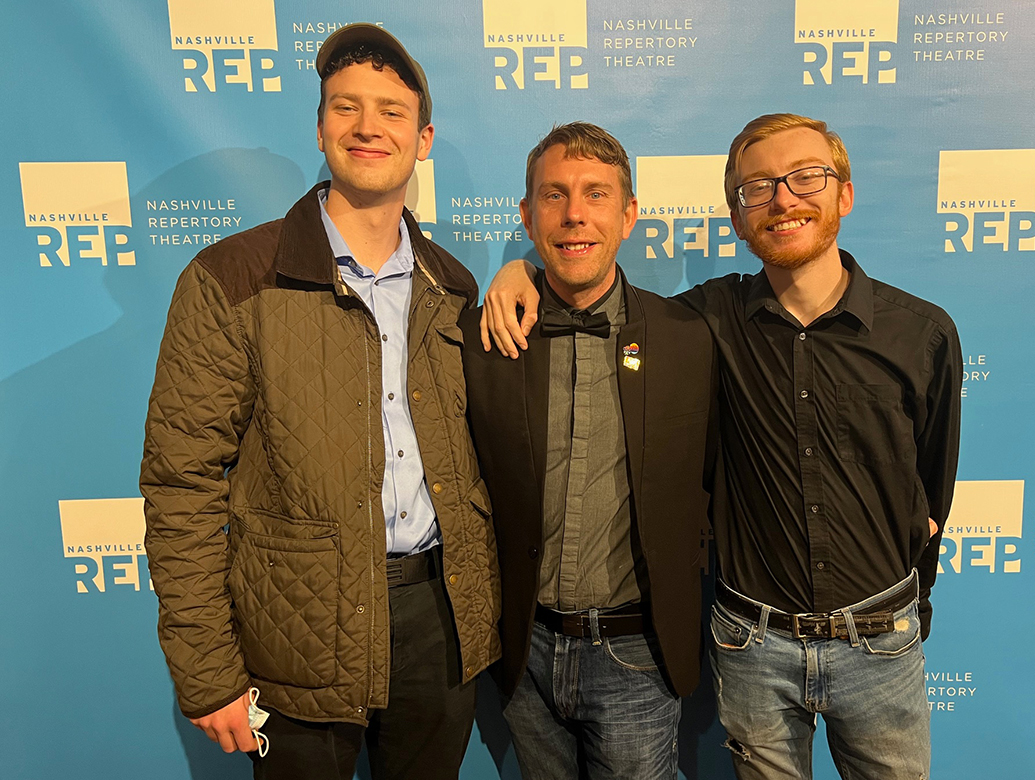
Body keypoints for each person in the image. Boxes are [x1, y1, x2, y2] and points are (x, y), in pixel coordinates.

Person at [481, 113, 962, 779]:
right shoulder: (704, 319)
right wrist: (519, 273)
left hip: (879, 642)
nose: (785, 199)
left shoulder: (924, 333)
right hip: (751, 644)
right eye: (759, 188)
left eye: (806, 178)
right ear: (737, 217)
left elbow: (933, 488)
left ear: (844, 195)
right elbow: (589, 283)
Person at [141, 24, 499, 780]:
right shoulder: (232, 276)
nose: (369, 127)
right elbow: (182, 485)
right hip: (295, 633)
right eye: (346, 107)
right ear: (320, 127)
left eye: (392, 112)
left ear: (423, 139)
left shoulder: (454, 286)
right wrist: (207, 672)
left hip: (440, 622)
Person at [458, 122, 715, 779]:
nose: (575, 213)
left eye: (596, 195)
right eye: (554, 195)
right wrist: (512, 271)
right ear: (527, 214)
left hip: (638, 657)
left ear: (629, 215)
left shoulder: (690, 335)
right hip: (526, 654)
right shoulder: (486, 336)